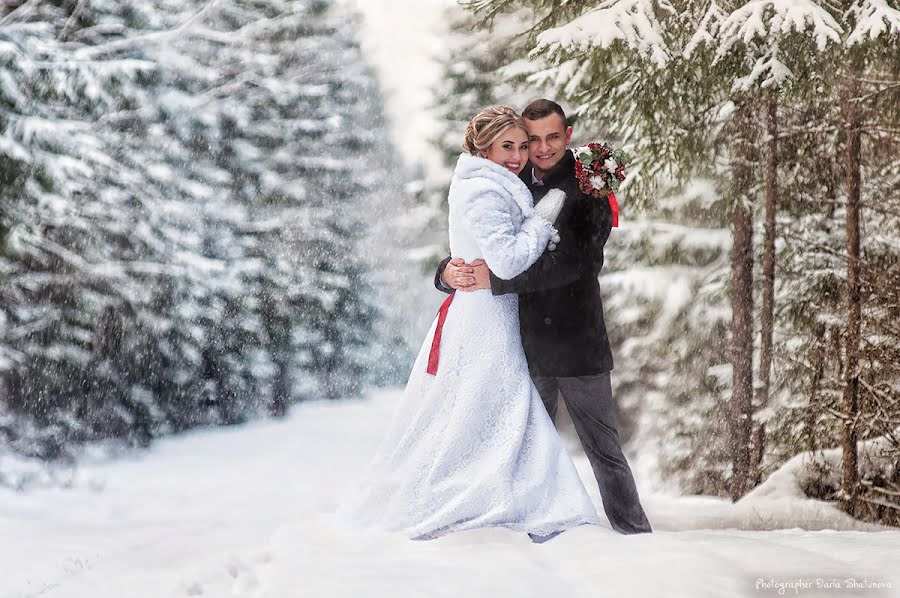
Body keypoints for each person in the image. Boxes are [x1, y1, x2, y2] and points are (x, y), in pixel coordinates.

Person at [337, 106, 602, 541]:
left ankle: (512, 498)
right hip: (487, 318)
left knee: (490, 409)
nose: (518, 156)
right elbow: (508, 259)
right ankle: (498, 501)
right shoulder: (484, 190)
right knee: (493, 407)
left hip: (493, 312)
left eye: (521, 146)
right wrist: (541, 221)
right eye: (507, 147)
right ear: (482, 147)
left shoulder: (491, 181)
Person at [435, 99, 652, 535]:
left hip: (577, 342)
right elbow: (482, 240)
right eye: (533, 140)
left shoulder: (589, 185)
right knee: (526, 445)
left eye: (553, 137)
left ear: (568, 135)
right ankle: (535, 529)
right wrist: (446, 271)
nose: (542, 148)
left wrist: (495, 282)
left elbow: (577, 264)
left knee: (602, 447)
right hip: (525, 344)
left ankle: (633, 533)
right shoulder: (512, 183)